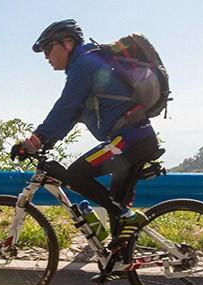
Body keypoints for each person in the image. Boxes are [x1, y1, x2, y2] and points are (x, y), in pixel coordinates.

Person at [11, 19, 161, 252]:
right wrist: (45, 141)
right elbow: (71, 116)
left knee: (77, 175)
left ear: (67, 43)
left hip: (129, 140)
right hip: (135, 138)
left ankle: (127, 219)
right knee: (115, 204)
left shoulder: (85, 63)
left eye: (49, 48)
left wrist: (36, 139)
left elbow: (65, 107)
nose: (46, 56)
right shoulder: (89, 62)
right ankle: (120, 261)